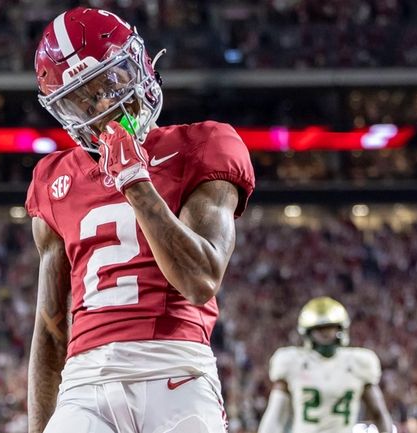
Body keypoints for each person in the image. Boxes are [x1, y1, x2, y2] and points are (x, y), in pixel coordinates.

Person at [25, 7, 255, 433]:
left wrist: (136, 182)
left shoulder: (203, 145)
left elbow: (201, 280)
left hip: (175, 366)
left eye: (110, 83)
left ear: (139, 66)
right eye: (84, 98)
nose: (104, 105)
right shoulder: (55, 178)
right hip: (85, 380)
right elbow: (51, 330)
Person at [258, 296, 394, 433]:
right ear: (308, 332)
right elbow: (276, 415)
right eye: (320, 328)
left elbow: (379, 413)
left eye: (329, 327)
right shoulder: (293, 363)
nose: (325, 333)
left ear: (340, 329)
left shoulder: (358, 363)